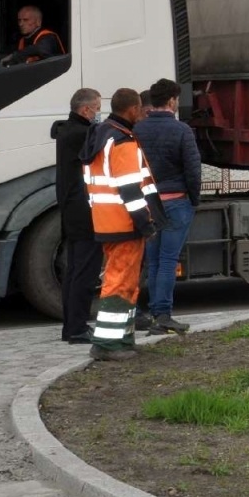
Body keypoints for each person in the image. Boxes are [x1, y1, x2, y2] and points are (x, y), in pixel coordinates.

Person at [82, 87, 163, 361]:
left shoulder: (101, 135)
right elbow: (130, 190)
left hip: (106, 220)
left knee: (124, 282)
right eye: (140, 108)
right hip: (125, 223)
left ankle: (123, 339)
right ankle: (107, 345)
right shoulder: (123, 141)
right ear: (132, 109)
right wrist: (146, 224)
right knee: (119, 283)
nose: (142, 112)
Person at [134, 78, 202, 335]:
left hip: (148, 203)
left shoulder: (137, 130)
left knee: (152, 261)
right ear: (172, 100)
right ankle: (163, 314)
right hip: (176, 201)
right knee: (168, 260)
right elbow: (193, 170)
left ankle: (155, 313)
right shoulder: (182, 130)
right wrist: (194, 199)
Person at [53, 88, 103, 343]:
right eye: (97, 108)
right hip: (84, 212)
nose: (98, 113)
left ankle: (72, 326)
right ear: (85, 109)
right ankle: (77, 328)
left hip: (72, 209)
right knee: (85, 272)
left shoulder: (67, 130)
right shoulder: (82, 134)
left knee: (74, 271)